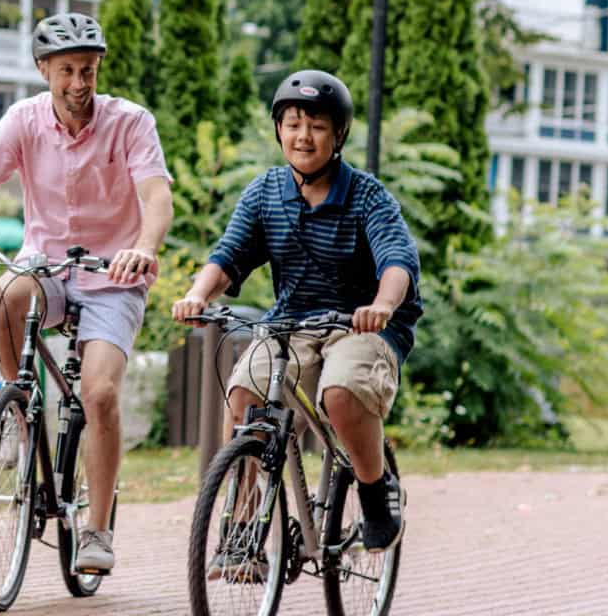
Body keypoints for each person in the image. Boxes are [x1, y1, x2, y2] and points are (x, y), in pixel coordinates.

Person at [0, 12, 174, 576]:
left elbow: (156, 196)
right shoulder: (23, 120)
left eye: (87, 70)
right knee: (2, 296)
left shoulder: (130, 123)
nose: (78, 83)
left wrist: (143, 245)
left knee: (100, 395)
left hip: (114, 275)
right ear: (44, 70)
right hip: (47, 269)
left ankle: (97, 529)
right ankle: (17, 411)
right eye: (66, 70)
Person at [169, 69, 423, 557]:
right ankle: (242, 532)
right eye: (292, 123)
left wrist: (381, 306)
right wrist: (198, 295)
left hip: (360, 324)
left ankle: (374, 488)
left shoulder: (367, 196)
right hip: (293, 322)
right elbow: (229, 256)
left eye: (317, 125)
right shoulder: (265, 192)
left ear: (339, 135)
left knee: (341, 394)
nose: (303, 135)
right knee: (244, 398)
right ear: (279, 129)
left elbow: (397, 260)